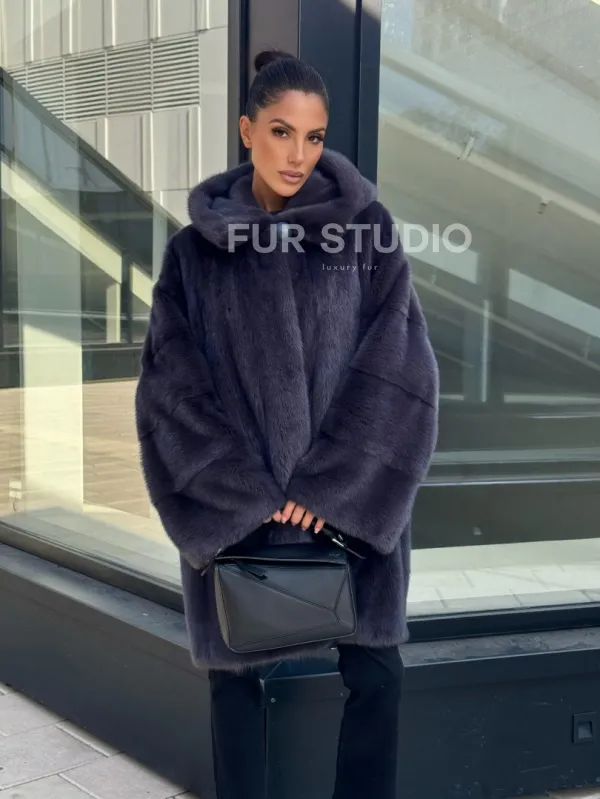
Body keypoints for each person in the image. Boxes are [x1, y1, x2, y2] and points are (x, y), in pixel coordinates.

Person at [135, 49, 439, 799]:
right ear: (247, 130)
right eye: (280, 131)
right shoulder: (194, 254)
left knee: (376, 672)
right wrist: (243, 494)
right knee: (236, 683)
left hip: (347, 509)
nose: (298, 154)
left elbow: (402, 368)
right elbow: (171, 387)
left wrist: (330, 486)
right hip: (242, 509)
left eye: (314, 136)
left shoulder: (365, 233)